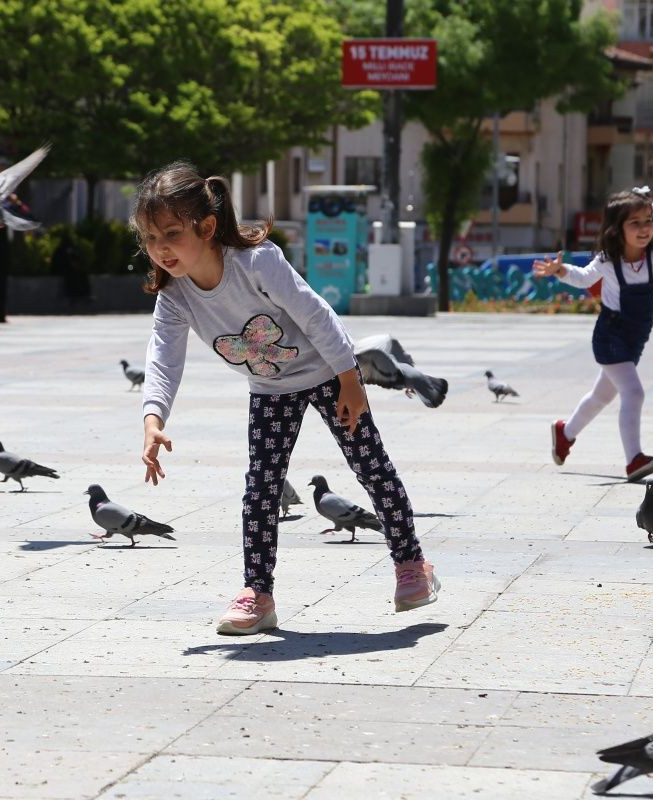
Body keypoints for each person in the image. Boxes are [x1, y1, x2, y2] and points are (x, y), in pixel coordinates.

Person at [135, 161, 439, 636]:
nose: (160, 249)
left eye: (172, 234)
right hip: (271, 390)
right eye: (150, 238)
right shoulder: (175, 295)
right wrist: (153, 418)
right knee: (262, 486)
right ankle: (258, 593)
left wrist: (350, 379)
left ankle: (411, 563)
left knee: (370, 466)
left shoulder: (257, 263)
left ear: (207, 227)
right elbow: (163, 358)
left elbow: (317, 315)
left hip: (328, 372)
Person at [534, 188, 653, 481]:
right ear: (617, 228)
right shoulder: (608, 260)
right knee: (633, 392)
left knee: (600, 397)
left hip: (635, 340)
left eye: (648, 221)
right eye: (635, 223)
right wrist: (560, 270)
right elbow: (583, 278)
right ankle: (634, 460)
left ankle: (564, 433)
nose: (644, 228)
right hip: (610, 336)